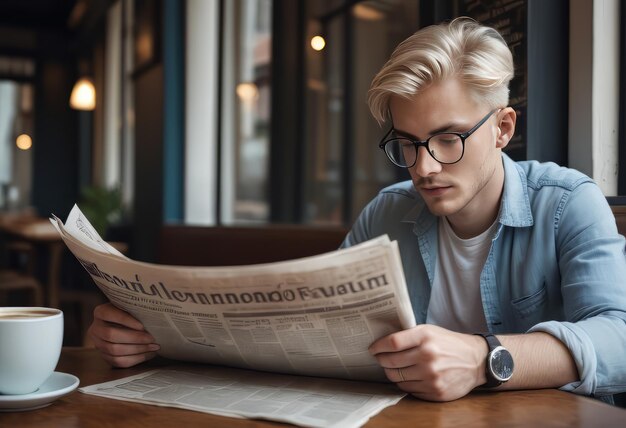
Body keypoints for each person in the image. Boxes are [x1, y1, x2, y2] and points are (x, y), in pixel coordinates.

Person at [88, 18, 626, 404]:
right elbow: (311, 332)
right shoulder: (387, 214)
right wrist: (158, 339)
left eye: (446, 139)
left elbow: (620, 338)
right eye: (408, 143)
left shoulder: (566, 203)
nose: (424, 167)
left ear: (503, 128)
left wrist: (487, 360)